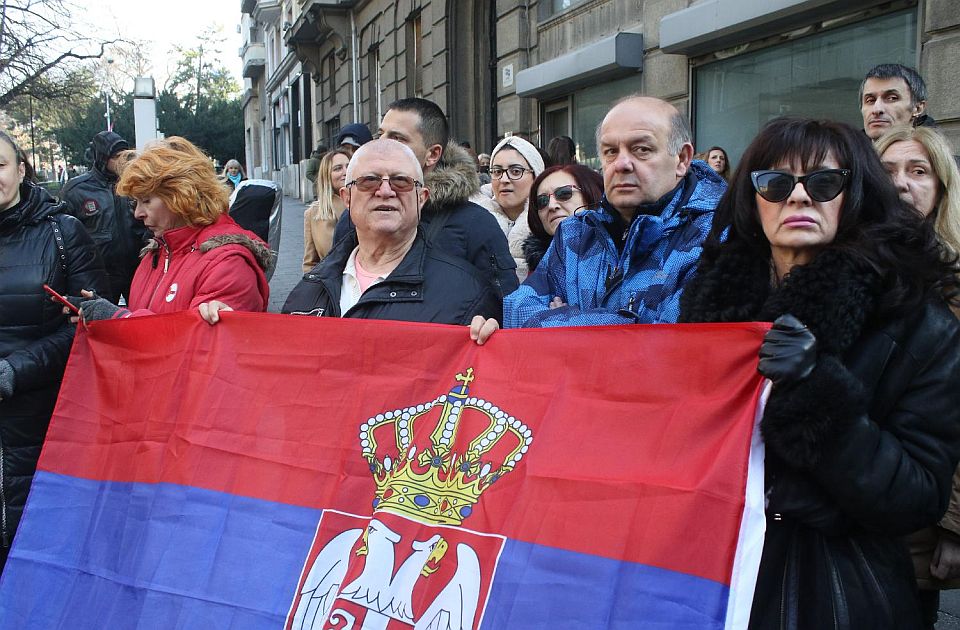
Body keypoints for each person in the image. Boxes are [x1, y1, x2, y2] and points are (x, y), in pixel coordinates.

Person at [679, 117, 960, 629]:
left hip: (833, 591)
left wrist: (816, 392)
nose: (799, 198)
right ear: (751, 196)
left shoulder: (918, 320)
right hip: (704, 577)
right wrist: (491, 352)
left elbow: (916, 496)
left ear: (856, 195)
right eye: (776, 182)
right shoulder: (708, 303)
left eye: (824, 182)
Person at [471, 95, 725, 343]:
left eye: (642, 150)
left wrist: (558, 317)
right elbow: (518, 310)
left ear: (682, 159)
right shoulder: (574, 234)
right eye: (610, 151)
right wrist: (628, 323)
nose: (622, 164)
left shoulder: (717, 237)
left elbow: (665, 345)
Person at [0, 131, 107, 571]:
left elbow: (88, 326)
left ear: (21, 169)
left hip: (39, 421)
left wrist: (13, 371)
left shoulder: (62, 232)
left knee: (33, 551)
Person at [875, 125, 960, 628]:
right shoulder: (844, 267)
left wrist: (954, 525)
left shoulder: (953, 284)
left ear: (941, 189)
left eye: (918, 171)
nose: (902, 184)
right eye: (887, 172)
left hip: (922, 522)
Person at [280, 139, 501, 324]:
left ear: (421, 198)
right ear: (347, 198)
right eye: (369, 181)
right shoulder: (309, 291)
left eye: (401, 181)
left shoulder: (468, 294)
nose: (385, 191)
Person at [333, 98, 518, 298]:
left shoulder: (476, 224)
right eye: (380, 135)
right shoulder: (355, 215)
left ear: (432, 154)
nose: (382, 144)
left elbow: (503, 305)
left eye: (397, 138)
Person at [71, 136, 270, 322]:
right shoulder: (159, 251)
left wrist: (119, 318)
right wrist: (104, 312)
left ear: (181, 195)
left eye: (146, 200)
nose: (138, 214)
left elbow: (198, 348)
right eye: (136, 203)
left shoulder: (228, 264)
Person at [60, 130, 146, 304]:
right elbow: (63, 235)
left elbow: (149, 222)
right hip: (100, 273)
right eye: (116, 156)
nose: (122, 160)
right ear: (102, 157)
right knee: (102, 324)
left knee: (142, 321)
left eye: (124, 155)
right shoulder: (76, 190)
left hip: (137, 268)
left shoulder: (135, 183)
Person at [522, 164, 603, 273]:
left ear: (590, 194)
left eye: (564, 193)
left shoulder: (621, 254)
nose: (551, 206)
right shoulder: (538, 270)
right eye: (542, 201)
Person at [486, 136, 546, 280]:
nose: (504, 180)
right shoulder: (472, 222)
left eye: (516, 171)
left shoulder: (551, 224)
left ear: (536, 175)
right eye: (497, 171)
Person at [303, 149, 350, 272]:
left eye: (349, 166)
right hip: (332, 285)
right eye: (338, 168)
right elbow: (310, 263)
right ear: (327, 176)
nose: (345, 172)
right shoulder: (313, 213)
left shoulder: (367, 205)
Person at [860, 63, 933, 141]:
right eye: (870, 100)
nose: (877, 109)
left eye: (891, 98)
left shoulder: (935, 151)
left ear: (918, 108)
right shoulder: (848, 150)